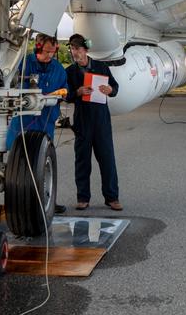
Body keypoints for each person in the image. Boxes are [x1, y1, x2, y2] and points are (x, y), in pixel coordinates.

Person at [8, 33, 69, 214]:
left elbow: (65, 88)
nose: (50, 55)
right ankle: (17, 205)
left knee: (44, 164)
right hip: (23, 122)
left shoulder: (58, 68)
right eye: (47, 51)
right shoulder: (23, 64)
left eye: (53, 51)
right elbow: (10, 86)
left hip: (46, 122)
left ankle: (48, 202)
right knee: (18, 166)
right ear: (38, 47)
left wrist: (62, 94)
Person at [64, 33, 122, 211]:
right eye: (72, 49)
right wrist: (77, 93)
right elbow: (66, 95)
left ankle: (112, 198)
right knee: (82, 161)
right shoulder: (70, 72)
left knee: (107, 160)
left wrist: (110, 89)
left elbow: (115, 87)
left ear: (86, 49)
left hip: (101, 120)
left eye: (78, 49)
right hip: (82, 121)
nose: (75, 53)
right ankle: (83, 197)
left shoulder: (101, 66)